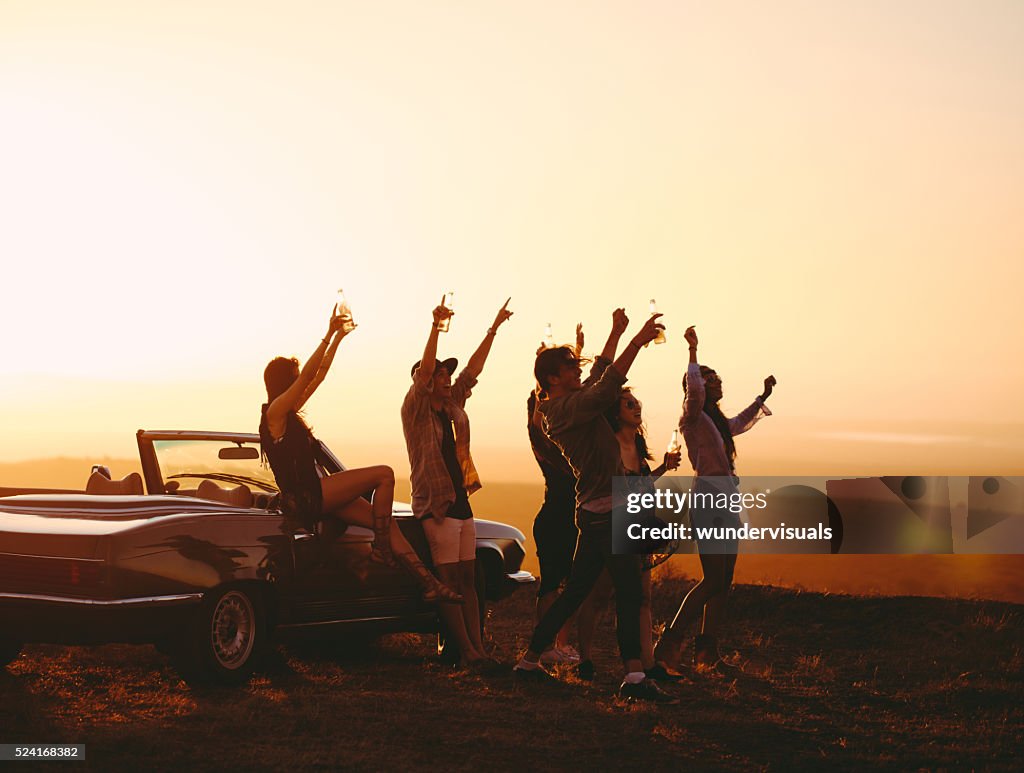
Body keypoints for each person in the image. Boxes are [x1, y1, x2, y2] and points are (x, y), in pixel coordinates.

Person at [514, 309, 677, 703]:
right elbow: (605, 388)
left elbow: (599, 374)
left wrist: (615, 332)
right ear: (552, 378)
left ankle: (528, 662)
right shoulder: (567, 410)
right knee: (629, 594)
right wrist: (635, 341)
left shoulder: (567, 402)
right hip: (607, 513)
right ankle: (635, 678)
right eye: (570, 366)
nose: (576, 370)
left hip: (595, 511)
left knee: (575, 593)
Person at [259, 304, 462, 606]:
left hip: (318, 493)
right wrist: (328, 333)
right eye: (295, 375)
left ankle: (429, 584)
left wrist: (339, 338)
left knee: (386, 521)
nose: (300, 378)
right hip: (305, 496)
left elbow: (320, 374)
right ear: (283, 381)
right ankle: (381, 549)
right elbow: (308, 377)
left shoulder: (287, 412)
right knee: (384, 474)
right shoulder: (274, 413)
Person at [653, 325, 776, 671]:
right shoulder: (692, 415)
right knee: (713, 578)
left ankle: (707, 650)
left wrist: (762, 397)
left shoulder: (715, 421)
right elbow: (693, 390)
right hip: (708, 498)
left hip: (725, 498)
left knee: (725, 579)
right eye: (709, 380)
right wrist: (693, 352)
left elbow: (740, 422)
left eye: (717, 378)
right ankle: (670, 640)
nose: (716, 382)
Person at [402, 297, 513, 666]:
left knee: (468, 577)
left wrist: (493, 328)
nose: (446, 380)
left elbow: (472, 371)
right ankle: (465, 651)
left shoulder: (452, 406)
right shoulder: (416, 409)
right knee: (448, 580)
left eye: (447, 376)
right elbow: (423, 376)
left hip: (460, 501)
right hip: (436, 503)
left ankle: (476, 648)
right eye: (439, 375)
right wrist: (434, 327)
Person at [599, 387, 682, 682]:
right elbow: (621, 490)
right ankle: (584, 655)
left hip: (641, 525)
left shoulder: (637, 443)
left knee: (642, 597)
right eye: (629, 404)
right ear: (616, 412)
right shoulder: (610, 447)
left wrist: (663, 468)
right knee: (604, 594)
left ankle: (647, 665)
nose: (636, 408)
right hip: (620, 526)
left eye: (637, 403)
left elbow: (641, 484)